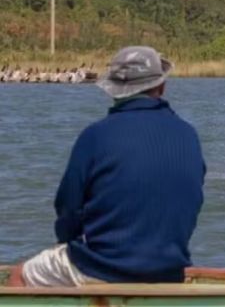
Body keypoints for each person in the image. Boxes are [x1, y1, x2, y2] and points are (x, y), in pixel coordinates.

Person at [8, 46, 206, 287]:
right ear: (161, 86)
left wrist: (69, 241)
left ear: (114, 91)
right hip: (170, 270)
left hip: (100, 266)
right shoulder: (188, 134)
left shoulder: (95, 136)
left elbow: (68, 208)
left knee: (19, 275)